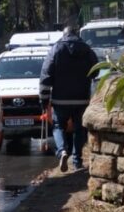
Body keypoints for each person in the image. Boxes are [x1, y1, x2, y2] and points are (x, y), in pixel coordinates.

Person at [39, 25, 98, 172]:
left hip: (60, 99)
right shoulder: (86, 49)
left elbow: (46, 75)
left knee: (58, 126)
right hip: (82, 98)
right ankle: (77, 161)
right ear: (77, 34)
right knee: (79, 130)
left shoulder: (56, 49)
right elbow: (96, 71)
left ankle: (62, 151)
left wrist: (44, 100)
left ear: (63, 35)